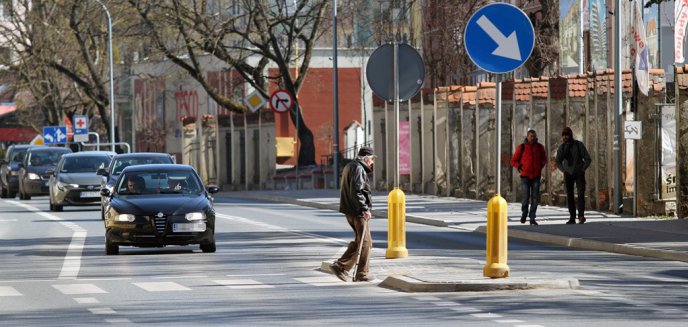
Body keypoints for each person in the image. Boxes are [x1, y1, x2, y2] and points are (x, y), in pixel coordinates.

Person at [330, 146, 375, 282]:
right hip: (357, 211)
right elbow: (357, 190)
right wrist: (364, 209)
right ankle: (361, 273)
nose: (372, 163)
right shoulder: (358, 168)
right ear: (366, 158)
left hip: (349, 210)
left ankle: (341, 266)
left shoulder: (350, 166)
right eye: (372, 159)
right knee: (366, 242)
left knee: (359, 241)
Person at [511, 129, 547, 226]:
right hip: (525, 176)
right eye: (531, 136)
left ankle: (532, 218)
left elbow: (544, 159)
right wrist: (519, 166)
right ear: (527, 137)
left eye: (534, 136)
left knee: (535, 198)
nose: (532, 138)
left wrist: (540, 165)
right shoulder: (522, 147)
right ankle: (524, 213)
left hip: (536, 176)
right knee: (525, 197)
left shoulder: (540, 147)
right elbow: (513, 160)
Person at [556, 127, 592, 224]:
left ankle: (581, 215)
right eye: (563, 135)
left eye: (566, 135)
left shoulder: (578, 145)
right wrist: (563, 170)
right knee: (570, 195)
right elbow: (558, 161)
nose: (565, 137)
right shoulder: (562, 148)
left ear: (570, 135)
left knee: (580, 194)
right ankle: (572, 216)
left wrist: (582, 169)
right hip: (568, 173)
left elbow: (588, 159)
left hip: (579, 173)